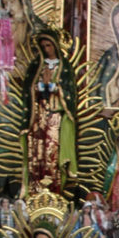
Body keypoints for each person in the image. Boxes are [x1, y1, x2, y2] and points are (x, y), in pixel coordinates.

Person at [20, 29, 78, 196]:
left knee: (53, 150)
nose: (46, 49)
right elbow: (28, 89)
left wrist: (53, 87)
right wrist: (40, 87)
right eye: (43, 46)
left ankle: (55, 189)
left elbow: (69, 92)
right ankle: (35, 190)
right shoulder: (36, 66)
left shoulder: (64, 67)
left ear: (55, 46)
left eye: (49, 45)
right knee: (38, 152)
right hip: (38, 116)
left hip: (55, 116)